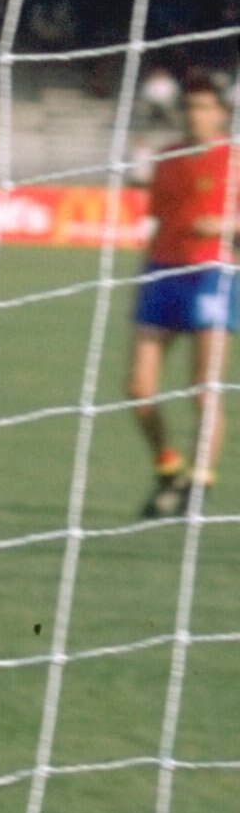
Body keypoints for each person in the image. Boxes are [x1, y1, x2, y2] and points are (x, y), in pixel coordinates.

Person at [131, 80, 233, 519]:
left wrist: (226, 224)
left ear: (221, 114)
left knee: (203, 390)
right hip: (162, 272)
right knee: (138, 389)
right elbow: (157, 217)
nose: (196, 114)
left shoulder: (235, 157)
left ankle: (200, 483)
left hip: (213, 274)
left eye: (205, 106)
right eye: (190, 105)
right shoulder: (166, 157)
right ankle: (169, 468)